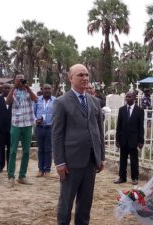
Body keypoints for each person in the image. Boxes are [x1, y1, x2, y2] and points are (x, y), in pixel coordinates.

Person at [52, 64, 105, 225]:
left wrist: (101, 156)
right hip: (71, 161)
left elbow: (99, 131)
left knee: (86, 200)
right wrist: (59, 161)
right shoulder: (61, 102)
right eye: (80, 75)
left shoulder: (94, 101)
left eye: (87, 75)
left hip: (90, 160)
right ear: (70, 78)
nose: (85, 78)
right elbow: (57, 134)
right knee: (67, 200)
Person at [6, 74, 38, 187]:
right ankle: (11, 177)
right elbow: (8, 102)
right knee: (13, 151)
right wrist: (14, 87)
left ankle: (22, 176)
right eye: (18, 79)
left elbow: (36, 99)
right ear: (15, 80)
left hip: (28, 123)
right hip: (16, 123)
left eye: (22, 79)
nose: (20, 81)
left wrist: (28, 88)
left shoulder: (29, 90)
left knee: (26, 151)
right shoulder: (13, 90)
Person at [114, 91, 144, 185]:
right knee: (122, 159)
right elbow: (119, 125)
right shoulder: (122, 110)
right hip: (123, 139)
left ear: (134, 98)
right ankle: (122, 177)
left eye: (130, 97)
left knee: (134, 160)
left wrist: (141, 141)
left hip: (134, 140)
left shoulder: (139, 110)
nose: (127, 98)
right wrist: (117, 139)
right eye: (127, 97)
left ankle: (134, 178)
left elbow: (141, 127)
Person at [34, 84, 55, 177]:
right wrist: (36, 120)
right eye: (45, 89)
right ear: (42, 90)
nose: (47, 90)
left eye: (49, 89)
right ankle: (40, 169)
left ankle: (47, 170)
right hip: (39, 128)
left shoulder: (55, 100)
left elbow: (58, 114)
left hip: (50, 128)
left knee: (48, 149)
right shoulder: (37, 100)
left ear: (51, 90)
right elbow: (33, 112)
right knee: (40, 149)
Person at [0, 83, 12, 173]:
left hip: (12, 129)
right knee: (1, 148)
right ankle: (0, 166)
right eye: (5, 88)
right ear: (2, 89)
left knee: (10, 149)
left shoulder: (13, 99)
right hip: (0, 129)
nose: (7, 89)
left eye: (9, 88)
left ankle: (9, 166)